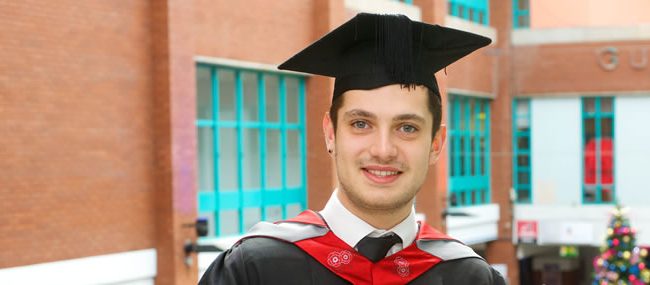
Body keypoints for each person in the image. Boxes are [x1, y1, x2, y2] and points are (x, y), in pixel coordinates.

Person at [199, 13, 504, 284]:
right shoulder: (254, 269)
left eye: (407, 128)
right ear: (331, 133)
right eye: (361, 124)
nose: (383, 150)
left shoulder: (470, 277)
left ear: (436, 144)